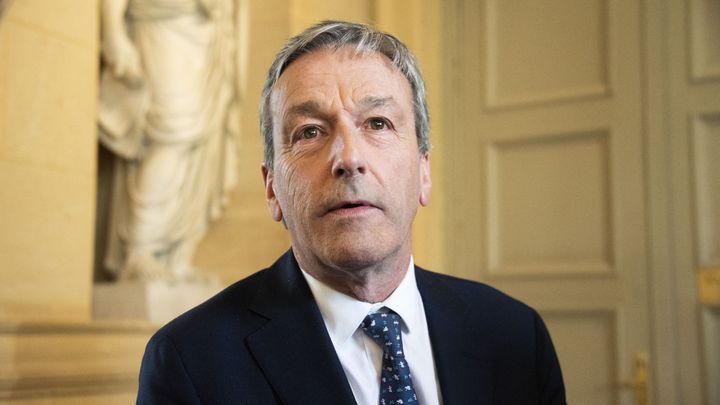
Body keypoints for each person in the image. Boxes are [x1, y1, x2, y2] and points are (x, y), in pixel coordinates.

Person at [137, 20, 567, 404]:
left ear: (423, 170)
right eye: (309, 132)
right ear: (272, 188)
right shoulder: (190, 361)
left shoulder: (515, 336)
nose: (349, 158)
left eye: (378, 123)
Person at [98, 0, 240, 280]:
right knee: (172, 135)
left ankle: (176, 256)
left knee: (200, 145)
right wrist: (112, 30)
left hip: (208, 30)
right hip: (161, 22)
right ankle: (140, 249)